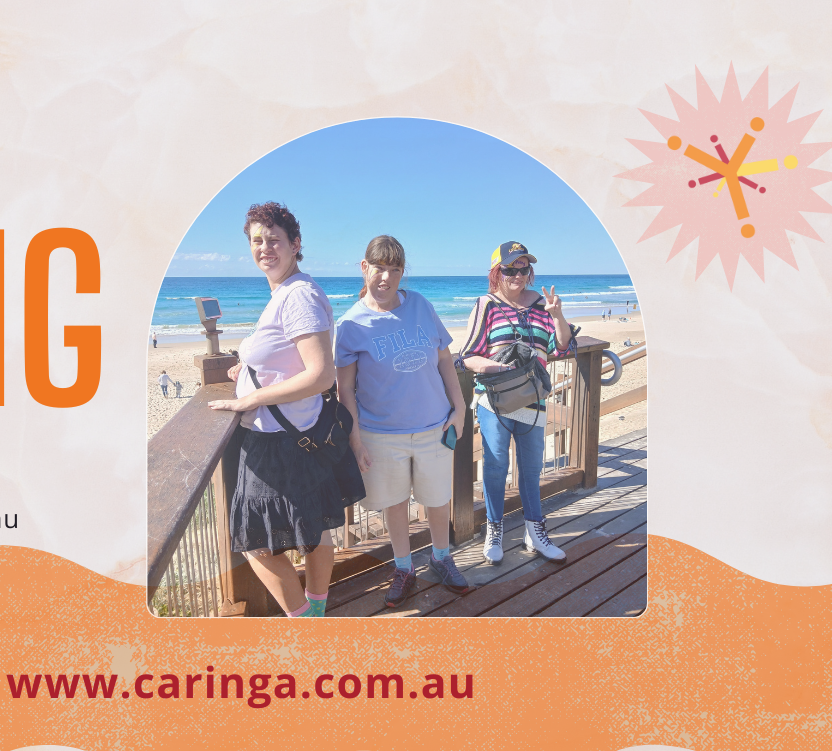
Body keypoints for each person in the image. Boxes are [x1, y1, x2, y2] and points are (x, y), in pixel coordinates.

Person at [208, 201, 363, 618]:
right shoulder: (288, 292)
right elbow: (291, 357)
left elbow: (321, 375)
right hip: (297, 435)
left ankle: (305, 622)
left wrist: (250, 398)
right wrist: (251, 368)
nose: (265, 248)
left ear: (296, 244)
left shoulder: (298, 296)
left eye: (274, 239)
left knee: (255, 544)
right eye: (257, 241)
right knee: (314, 533)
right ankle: (315, 611)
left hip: (281, 444)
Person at [334, 236, 471, 608]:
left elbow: (445, 360)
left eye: (396, 270)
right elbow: (345, 390)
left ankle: (441, 558)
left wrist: (459, 411)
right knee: (394, 503)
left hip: (435, 427)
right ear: (365, 268)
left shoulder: (421, 306)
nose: (387, 278)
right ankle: (404, 567)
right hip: (381, 435)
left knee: (438, 500)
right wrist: (356, 441)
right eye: (380, 268)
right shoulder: (349, 325)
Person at [459, 241, 578, 566]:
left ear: (530, 272)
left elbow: (564, 347)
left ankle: (534, 531)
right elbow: (467, 356)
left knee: (531, 468)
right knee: (496, 466)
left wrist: (558, 315)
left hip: (532, 398)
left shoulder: (543, 304)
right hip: (494, 400)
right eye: (509, 269)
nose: (516, 275)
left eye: (522, 268)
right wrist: (488, 366)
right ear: (497, 272)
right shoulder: (486, 305)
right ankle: (494, 530)